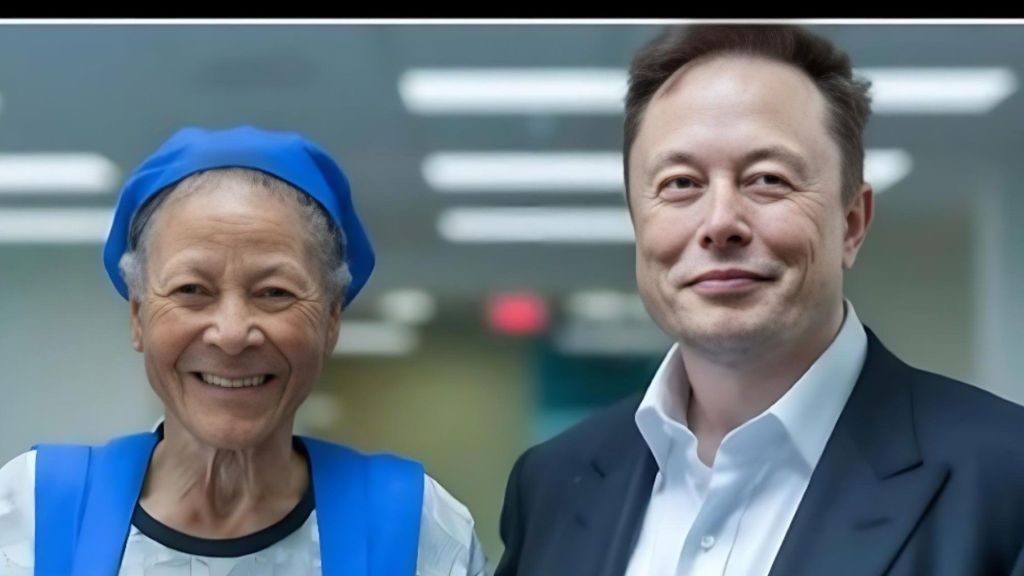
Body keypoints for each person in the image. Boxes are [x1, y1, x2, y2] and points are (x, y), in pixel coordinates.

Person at [495, 24, 1024, 576]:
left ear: (851, 224)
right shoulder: (552, 486)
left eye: (767, 179)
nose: (720, 222)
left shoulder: (1007, 478)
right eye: (680, 184)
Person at [0, 126, 487, 575]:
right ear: (138, 315)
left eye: (274, 293)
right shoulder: (30, 510)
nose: (232, 335)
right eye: (192, 289)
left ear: (332, 319)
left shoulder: (415, 525)